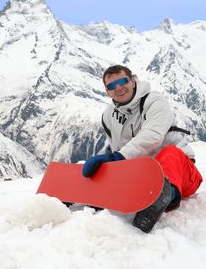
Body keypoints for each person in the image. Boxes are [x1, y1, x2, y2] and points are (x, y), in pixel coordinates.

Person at [82, 65, 203, 233]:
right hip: (142, 175)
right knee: (110, 165)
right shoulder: (108, 116)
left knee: (170, 152)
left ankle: (162, 197)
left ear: (133, 81)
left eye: (122, 81)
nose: (118, 88)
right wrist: (109, 165)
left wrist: (117, 157)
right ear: (107, 92)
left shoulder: (154, 100)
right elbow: (118, 149)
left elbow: (153, 135)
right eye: (111, 86)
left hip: (182, 174)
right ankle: (95, 197)